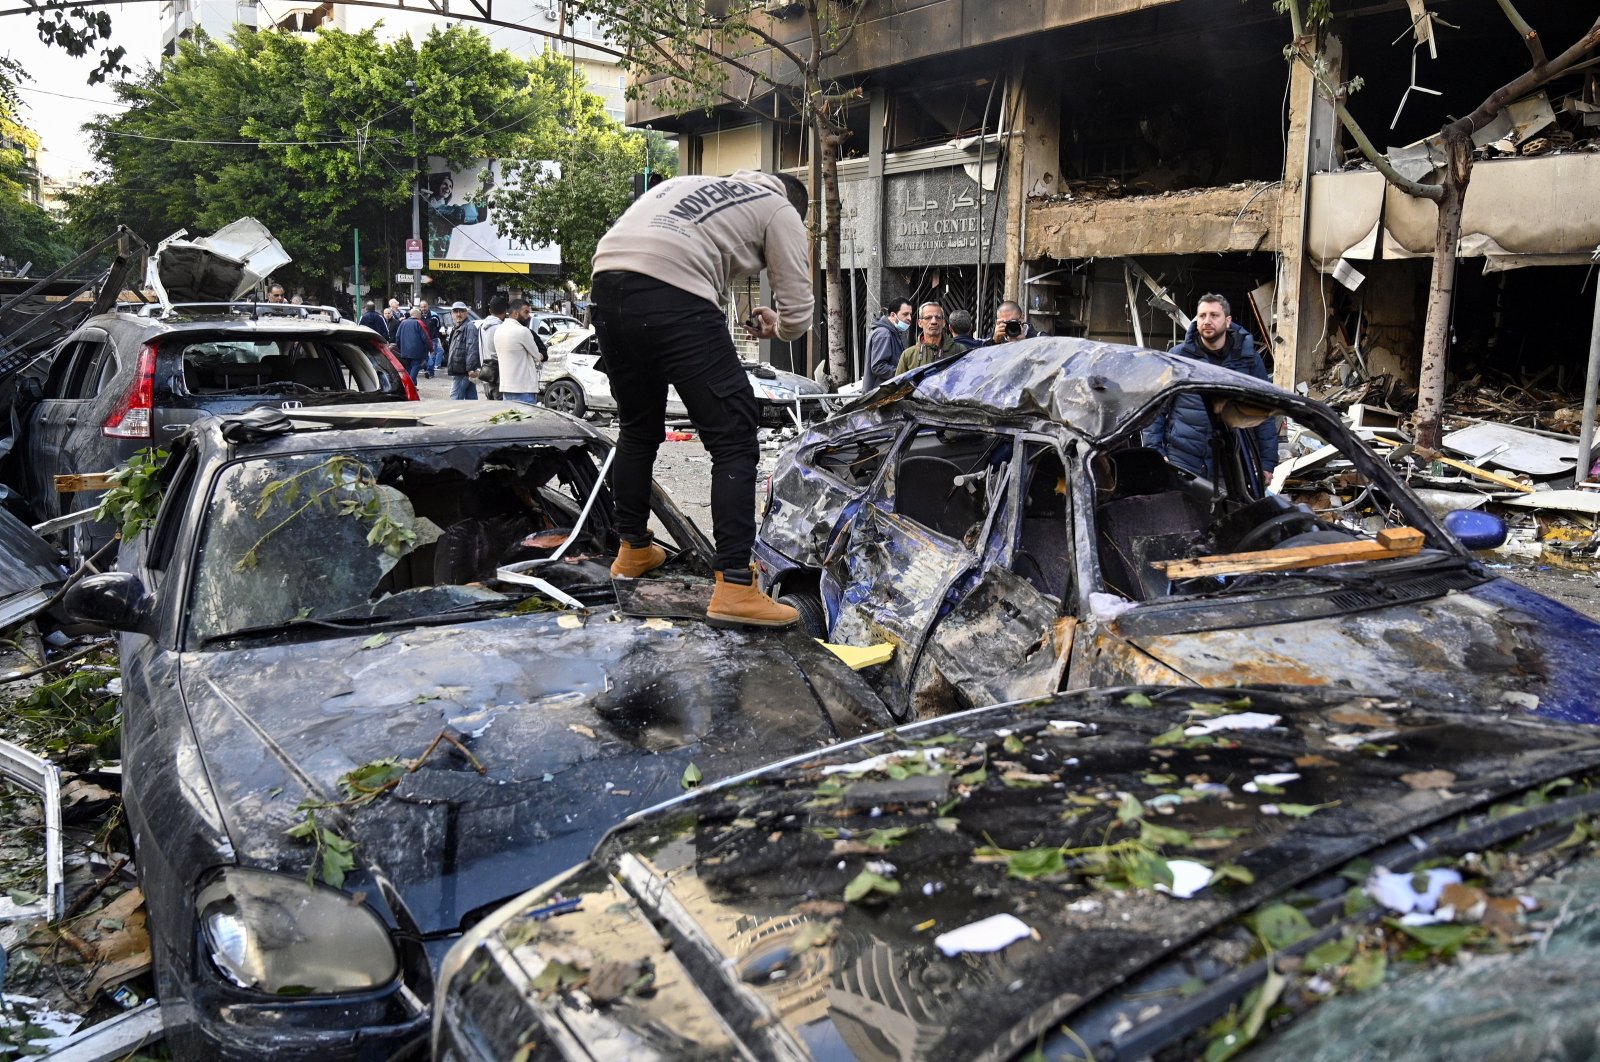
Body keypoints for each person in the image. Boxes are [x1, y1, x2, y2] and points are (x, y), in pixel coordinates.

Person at [590, 169, 812, 627]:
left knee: (637, 427)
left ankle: (631, 551)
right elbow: (798, 309)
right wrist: (781, 327)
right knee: (733, 436)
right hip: (672, 291)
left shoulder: (691, 185)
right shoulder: (780, 208)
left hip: (607, 284)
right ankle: (734, 586)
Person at [1143, 293, 1278, 490]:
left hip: (1231, 463)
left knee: (1229, 515)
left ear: (1228, 321)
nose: (1207, 321)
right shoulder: (1179, 358)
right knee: (1184, 517)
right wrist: (1154, 450)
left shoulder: (1247, 359)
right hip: (1183, 460)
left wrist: (1267, 463)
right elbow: (1156, 408)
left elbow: (1264, 412)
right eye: (1202, 315)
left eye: (1214, 315)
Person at [495, 299, 546, 404]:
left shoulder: (499, 330)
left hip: (506, 387)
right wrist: (542, 355)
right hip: (524, 388)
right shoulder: (523, 331)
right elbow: (537, 355)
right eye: (526, 312)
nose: (529, 316)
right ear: (515, 313)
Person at [895, 302, 961, 375]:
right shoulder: (908, 355)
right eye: (928, 318)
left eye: (938, 317)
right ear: (920, 323)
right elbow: (898, 385)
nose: (933, 321)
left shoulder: (959, 350)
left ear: (943, 322)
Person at [864, 297, 913, 390]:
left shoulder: (891, 332)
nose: (909, 318)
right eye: (905, 314)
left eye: (910, 314)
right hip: (880, 394)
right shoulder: (884, 333)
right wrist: (904, 374)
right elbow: (878, 367)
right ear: (893, 315)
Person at [477, 295, 508, 401]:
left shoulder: (482, 326)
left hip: (486, 375)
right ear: (505, 311)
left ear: (490, 310)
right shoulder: (501, 329)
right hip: (498, 379)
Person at [394, 306, 432, 384]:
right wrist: (431, 348)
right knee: (415, 366)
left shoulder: (403, 323)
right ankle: (410, 383)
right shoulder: (419, 323)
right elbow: (426, 337)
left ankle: (412, 384)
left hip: (404, 350)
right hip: (417, 350)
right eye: (420, 315)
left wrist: (399, 347)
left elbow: (397, 336)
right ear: (417, 315)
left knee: (408, 367)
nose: (421, 316)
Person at [418, 299, 444, 377]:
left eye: (424, 307)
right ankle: (428, 370)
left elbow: (438, 326)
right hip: (422, 340)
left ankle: (430, 371)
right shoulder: (419, 316)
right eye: (422, 307)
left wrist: (433, 334)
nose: (423, 309)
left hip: (433, 339)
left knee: (432, 355)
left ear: (427, 306)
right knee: (425, 356)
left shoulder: (434, 315)